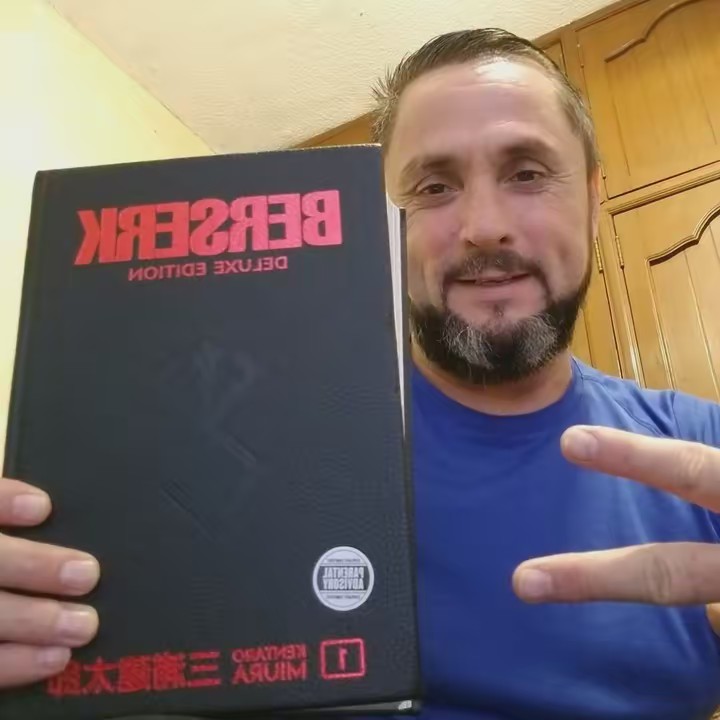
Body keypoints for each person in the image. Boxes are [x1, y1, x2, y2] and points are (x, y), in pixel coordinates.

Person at [1, 26, 720, 720]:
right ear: (380, 225)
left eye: (527, 173)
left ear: (594, 199)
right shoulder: (239, 451)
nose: (483, 225)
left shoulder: (702, 457)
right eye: (433, 187)